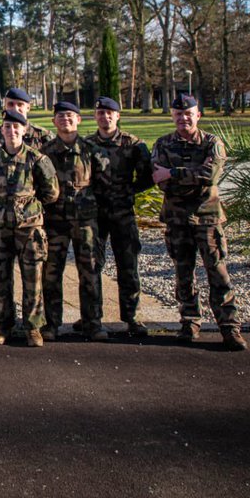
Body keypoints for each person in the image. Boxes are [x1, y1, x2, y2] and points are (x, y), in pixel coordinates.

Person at [151, 93, 246, 351]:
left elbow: (210, 175)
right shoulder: (162, 144)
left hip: (207, 218)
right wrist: (185, 176)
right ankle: (190, 323)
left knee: (218, 272)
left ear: (198, 115)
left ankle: (229, 328)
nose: (183, 118)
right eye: (178, 114)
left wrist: (173, 173)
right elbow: (158, 179)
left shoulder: (212, 143)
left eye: (188, 114)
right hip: (176, 219)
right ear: (173, 116)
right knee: (184, 274)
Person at [0, 110, 60, 346]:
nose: (12, 131)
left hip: (29, 229)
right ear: (1, 130)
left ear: (24, 130)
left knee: (33, 279)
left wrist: (29, 208)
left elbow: (51, 193)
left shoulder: (37, 159)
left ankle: (33, 328)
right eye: (7, 127)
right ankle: (1, 326)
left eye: (16, 127)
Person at [40, 101, 106, 341]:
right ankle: (51, 323)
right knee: (51, 273)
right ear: (53, 122)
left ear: (79, 119)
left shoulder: (92, 150)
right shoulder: (46, 152)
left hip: (85, 221)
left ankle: (93, 323)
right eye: (60, 116)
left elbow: (103, 185)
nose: (65, 120)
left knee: (89, 271)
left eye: (70, 116)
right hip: (55, 222)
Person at [88, 96, 153, 337]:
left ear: (118, 116)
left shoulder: (134, 144)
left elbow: (147, 176)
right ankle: (93, 317)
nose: (105, 117)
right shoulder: (88, 145)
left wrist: (128, 192)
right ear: (95, 116)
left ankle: (132, 317)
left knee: (128, 266)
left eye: (109, 113)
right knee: (93, 266)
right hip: (96, 215)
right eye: (101, 113)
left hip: (123, 214)